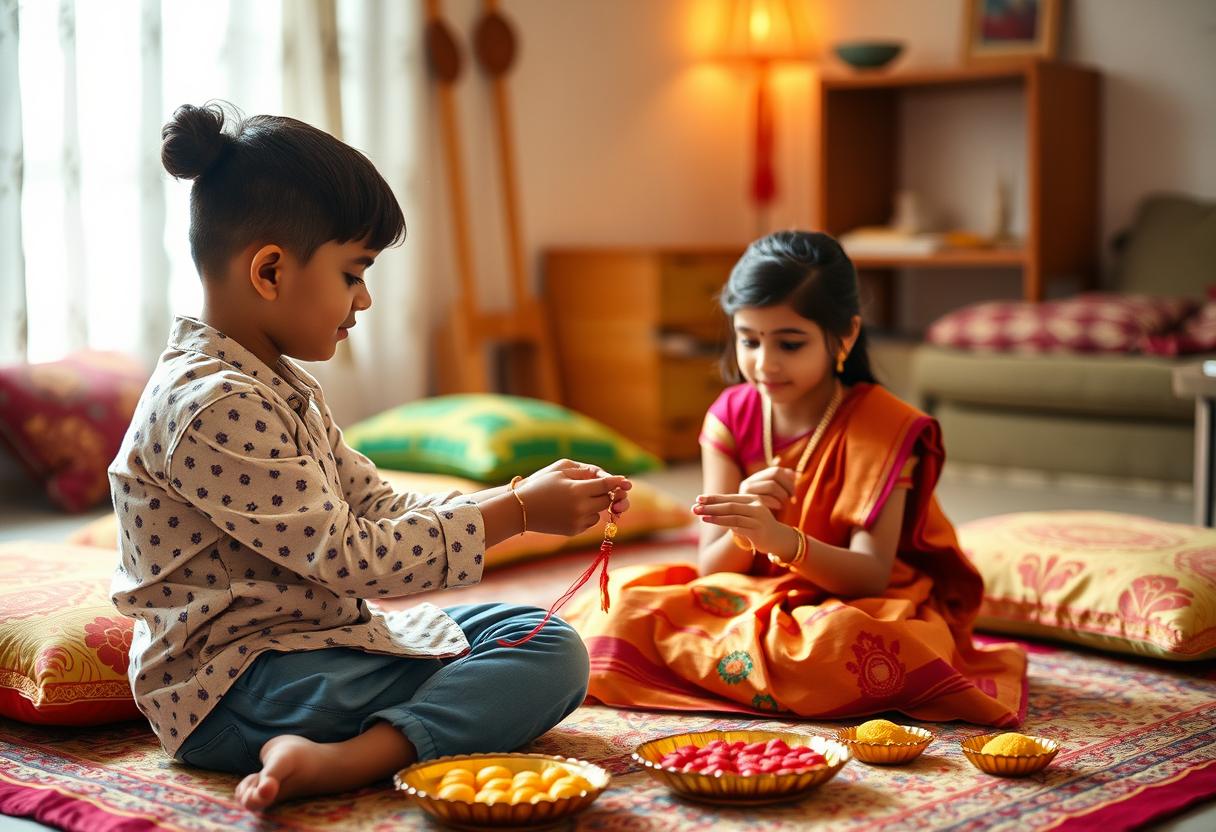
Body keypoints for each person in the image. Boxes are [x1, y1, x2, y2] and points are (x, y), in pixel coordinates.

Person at [109, 102, 631, 811]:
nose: (366, 298)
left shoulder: (280, 383)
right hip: (237, 688)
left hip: (323, 644)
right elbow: (356, 558)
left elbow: (379, 505)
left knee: (540, 638)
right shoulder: (212, 405)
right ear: (269, 270)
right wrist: (514, 513)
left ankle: (350, 742)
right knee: (535, 666)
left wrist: (521, 495)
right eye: (354, 274)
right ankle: (353, 758)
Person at [567, 231, 1025, 727]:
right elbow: (713, 568)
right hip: (746, 596)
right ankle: (777, 682)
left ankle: (754, 676)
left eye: (789, 343)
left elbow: (870, 574)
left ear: (845, 336)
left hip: (856, 602)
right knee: (622, 611)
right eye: (749, 340)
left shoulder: (885, 427)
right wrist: (747, 526)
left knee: (849, 644)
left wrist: (782, 540)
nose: (765, 363)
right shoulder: (730, 416)